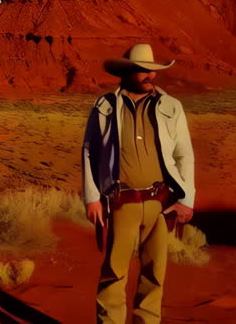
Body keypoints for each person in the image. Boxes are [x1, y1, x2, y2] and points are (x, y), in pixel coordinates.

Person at [81, 43, 195, 324]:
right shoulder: (105, 106)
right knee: (114, 274)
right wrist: (91, 197)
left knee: (154, 274)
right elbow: (89, 151)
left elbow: (184, 153)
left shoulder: (171, 106)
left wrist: (186, 199)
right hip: (121, 202)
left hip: (161, 203)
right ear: (127, 72)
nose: (149, 76)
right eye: (143, 71)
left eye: (152, 71)